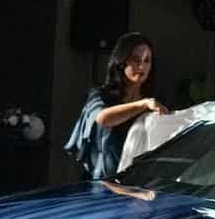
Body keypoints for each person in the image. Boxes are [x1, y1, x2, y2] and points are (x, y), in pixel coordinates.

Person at [64, 31, 167, 182]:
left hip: (138, 184)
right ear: (121, 61)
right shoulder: (99, 95)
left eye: (147, 60)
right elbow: (102, 118)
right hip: (102, 184)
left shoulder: (154, 102)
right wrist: (142, 104)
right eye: (135, 59)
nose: (142, 66)